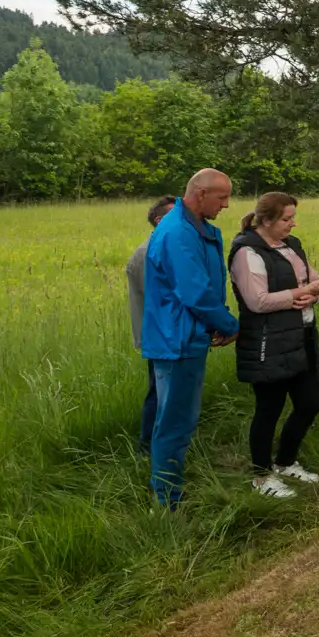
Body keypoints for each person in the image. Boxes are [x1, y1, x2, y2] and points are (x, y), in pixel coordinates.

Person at [140, 169, 239, 509]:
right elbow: (195, 292)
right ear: (200, 194)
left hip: (187, 335)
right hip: (176, 340)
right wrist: (230, 325)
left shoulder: (198, 230)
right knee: (174, 422)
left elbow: (207, 284)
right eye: (221, 197)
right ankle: (168, 502)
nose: (226, 205)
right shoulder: (178, 233)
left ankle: (167, 488)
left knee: (177, 419)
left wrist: (216, 323)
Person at [227, 192, 319, 499]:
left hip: (301, 335)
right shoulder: (247, 252)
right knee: (268, 409)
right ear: (267, 220)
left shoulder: (291, 245)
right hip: (267, 342)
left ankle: (285, 462)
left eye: (293, 217)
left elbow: (310, 278)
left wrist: (313, 291)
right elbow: (256, 302)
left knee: (311, 401)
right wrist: (298, 294)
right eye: (286, 219)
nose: (292, 224)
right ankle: (261, 478)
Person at [128, 194, 178, 452]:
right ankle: (147, 447)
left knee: (167, 392)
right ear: (159, 220)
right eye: (174, 214)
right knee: (158, 393)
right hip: (160, 335)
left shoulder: (166, 248)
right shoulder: (149, 253)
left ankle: (163, 443)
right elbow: (161, 299)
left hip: (169, 334)